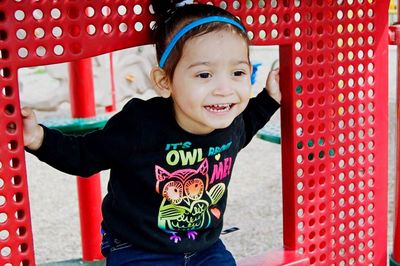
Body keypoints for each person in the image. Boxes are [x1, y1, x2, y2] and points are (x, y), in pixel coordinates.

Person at [22, 0, 281, 265]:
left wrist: (271, 98)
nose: (224, 88)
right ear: (164, 81)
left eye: (237, 72)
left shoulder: (231, 122)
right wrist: (38, 138)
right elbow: (84, 156)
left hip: (205, 247)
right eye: (204, 75)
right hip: (138, 246)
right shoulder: (141, 126)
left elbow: (248, 125)